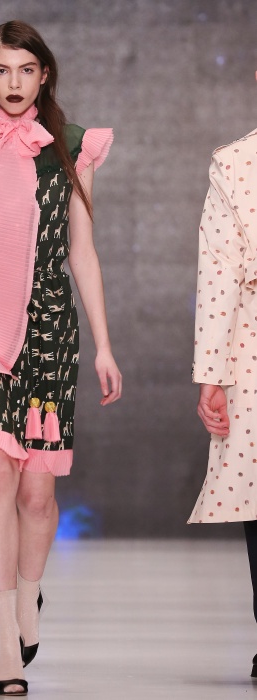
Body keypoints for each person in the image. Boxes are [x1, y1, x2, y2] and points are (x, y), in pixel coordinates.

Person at [0, 20, 122, 696]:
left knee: (38, 494)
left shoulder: (71, 149)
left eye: (26, 70)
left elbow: (82, 252)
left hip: (48, 332)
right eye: (1, 70)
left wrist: (103, 345)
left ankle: (28, 599)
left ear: (44, 76)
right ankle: (5, 641)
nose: (13, 83)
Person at [189, 93, 257, 675]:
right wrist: (212, 374)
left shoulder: (236, 163)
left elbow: (221, 272)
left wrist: (212, 374)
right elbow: (220, 273)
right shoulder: (234, 162)